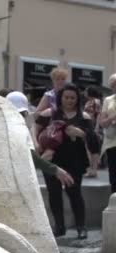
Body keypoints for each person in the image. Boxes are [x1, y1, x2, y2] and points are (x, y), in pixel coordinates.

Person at [35, 83, 97, 239]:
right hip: (52, 159)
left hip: (74, 159)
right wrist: (37, 145)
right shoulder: (50, 113)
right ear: (60, 98)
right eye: (66, 97)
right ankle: (59, 226)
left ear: (78, 99)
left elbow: (94, 140)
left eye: (73, 98)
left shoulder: (84, 116)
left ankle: (81, 227)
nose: (69, 100)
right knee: (54, 194)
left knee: (74, 193)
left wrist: (80, 133)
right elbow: (35, 127)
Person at [99, 74, 116, 193]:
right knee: (114, 178)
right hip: (112, 143)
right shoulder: (108, 100)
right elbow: (102, 123)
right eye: (114, 85)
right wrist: (112, 118)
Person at [83, 85, 103, 178]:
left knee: (92, 148)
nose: (85, 92)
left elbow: (99, 114)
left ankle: (93, 170)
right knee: (90, 148)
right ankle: (92, 170)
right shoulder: (88, 102)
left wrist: (97, 127)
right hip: (88, 127)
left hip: (92, 127)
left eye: (86, 91)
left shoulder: (96, 101)